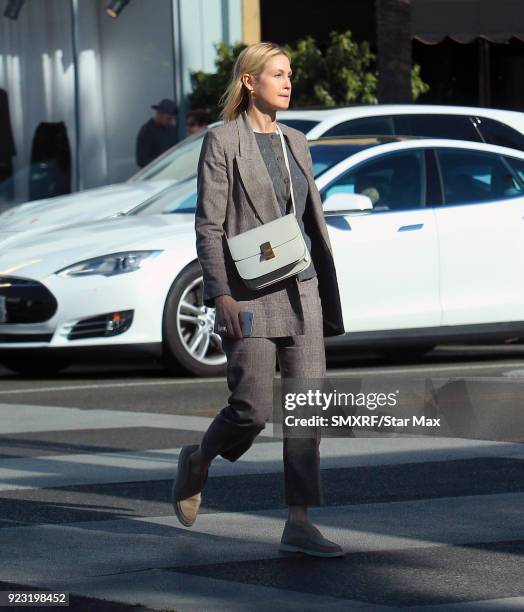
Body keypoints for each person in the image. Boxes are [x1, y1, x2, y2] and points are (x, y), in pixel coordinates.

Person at [172, 42, 345, 557]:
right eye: (277, 74)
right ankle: (199, 458)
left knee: (307, 409)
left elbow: (308, 216)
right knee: (250, 410)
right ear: (250, 82)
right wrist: (219, 292)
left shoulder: (297, 141)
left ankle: (299, 520)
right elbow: (209, 226)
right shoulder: (222, 142)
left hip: (303, 286)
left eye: (290, 74)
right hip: (249, 294)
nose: (287, 82)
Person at [135, 98, 178, 168]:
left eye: (173, 118)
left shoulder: (171, 129)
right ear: (159, 114)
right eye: (169, 118)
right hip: (155, 175)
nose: (171, 121)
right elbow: (141, 160)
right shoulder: (147, 131)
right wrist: (162, 161)